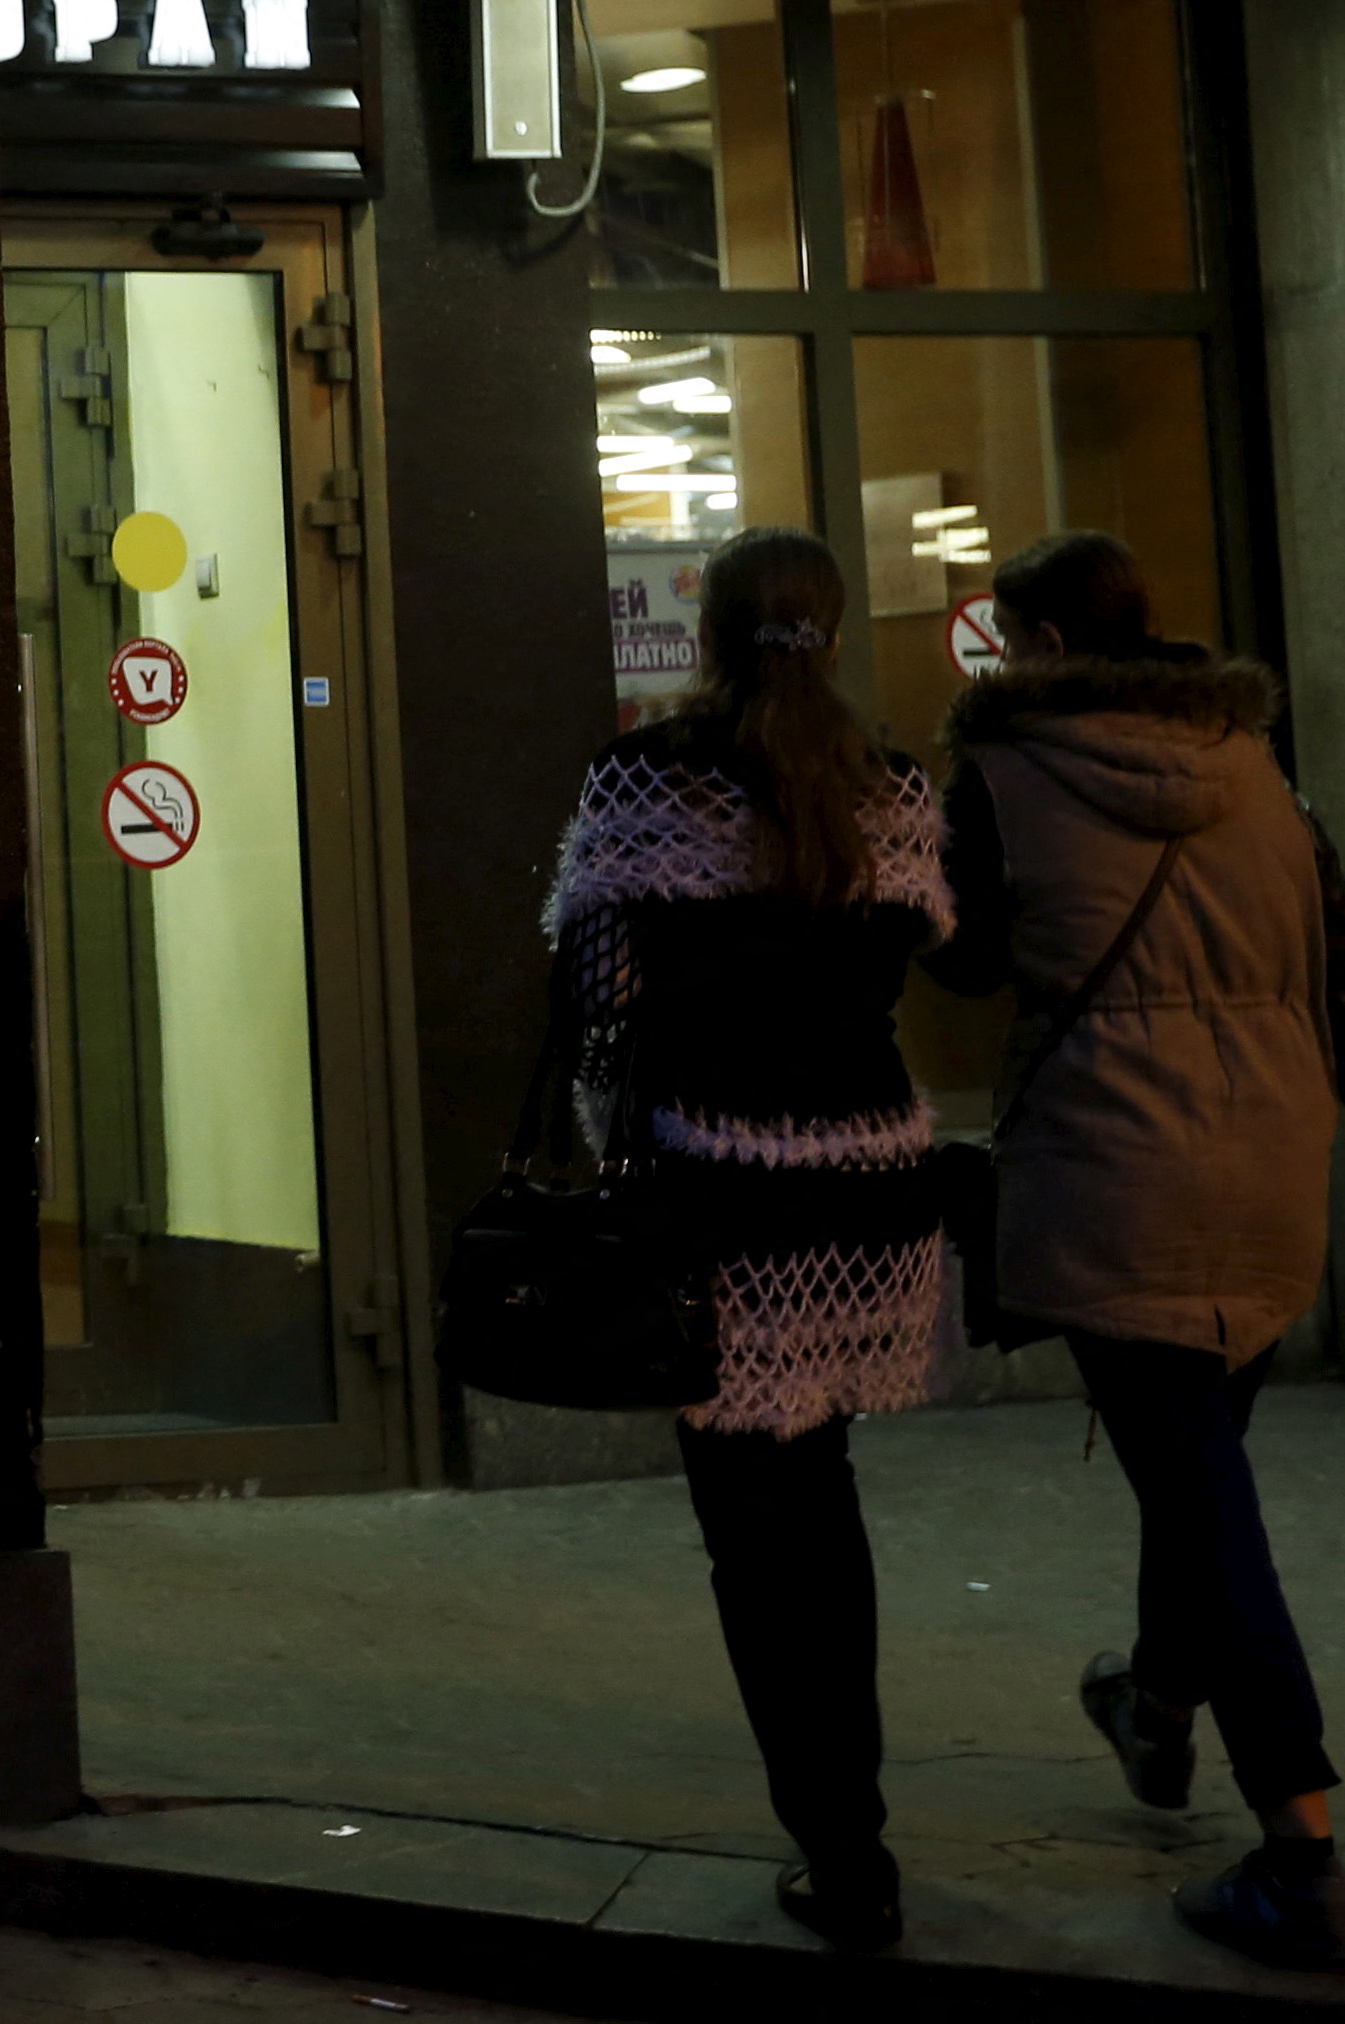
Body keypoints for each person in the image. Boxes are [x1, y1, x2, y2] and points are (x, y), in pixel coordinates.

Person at [928, 532, 1345, 1979]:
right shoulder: (1260, 774)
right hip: (1265, 1184)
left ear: (1040, 638)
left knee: (1205, 1505)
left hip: (1112, 1183)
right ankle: (1156, 1697)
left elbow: (960, 958)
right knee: (1196, 1484)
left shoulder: (1003, 776)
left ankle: (1298, 1851)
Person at [544, 527, 947, 1954]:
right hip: (864, 1197)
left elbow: (596, 997)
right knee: (820, 1506)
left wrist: (616, 1149)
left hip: (714, 1189)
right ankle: (855, 1829)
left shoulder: (642, 774)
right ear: (831, 634)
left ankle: (841, 1846)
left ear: (704, 631)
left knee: (748, 1529)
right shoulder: (889, 784)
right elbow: (925, 956)